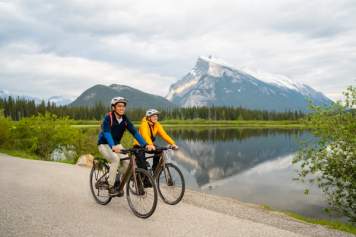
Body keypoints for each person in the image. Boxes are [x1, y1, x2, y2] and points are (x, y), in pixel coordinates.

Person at [97, 97, 150, 196]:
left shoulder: (125, 119)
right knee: (115, 159)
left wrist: (145, 144)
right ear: (114, 107)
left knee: (128, 163)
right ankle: (110, 186)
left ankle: (116, 177)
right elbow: (107, 133)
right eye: (119, 106)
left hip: (116, 145)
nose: (122, 108)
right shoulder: (108, 118)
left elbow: (134, 132)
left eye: (123, 106)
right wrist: (113, 146)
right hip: (104, 144)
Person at [134, 109, 178, 174]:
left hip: (149, 145)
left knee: (159, 151)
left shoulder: (157, 124)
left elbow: (164, 135)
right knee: (143, 166)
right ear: (149, 117)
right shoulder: (144, 124)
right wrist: (151, 145)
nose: (156, 117)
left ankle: (155, 169)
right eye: (153, 116)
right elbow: (146, 136)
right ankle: (144, 179)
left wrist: (173, 143)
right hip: (139, 146)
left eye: (156, 116)